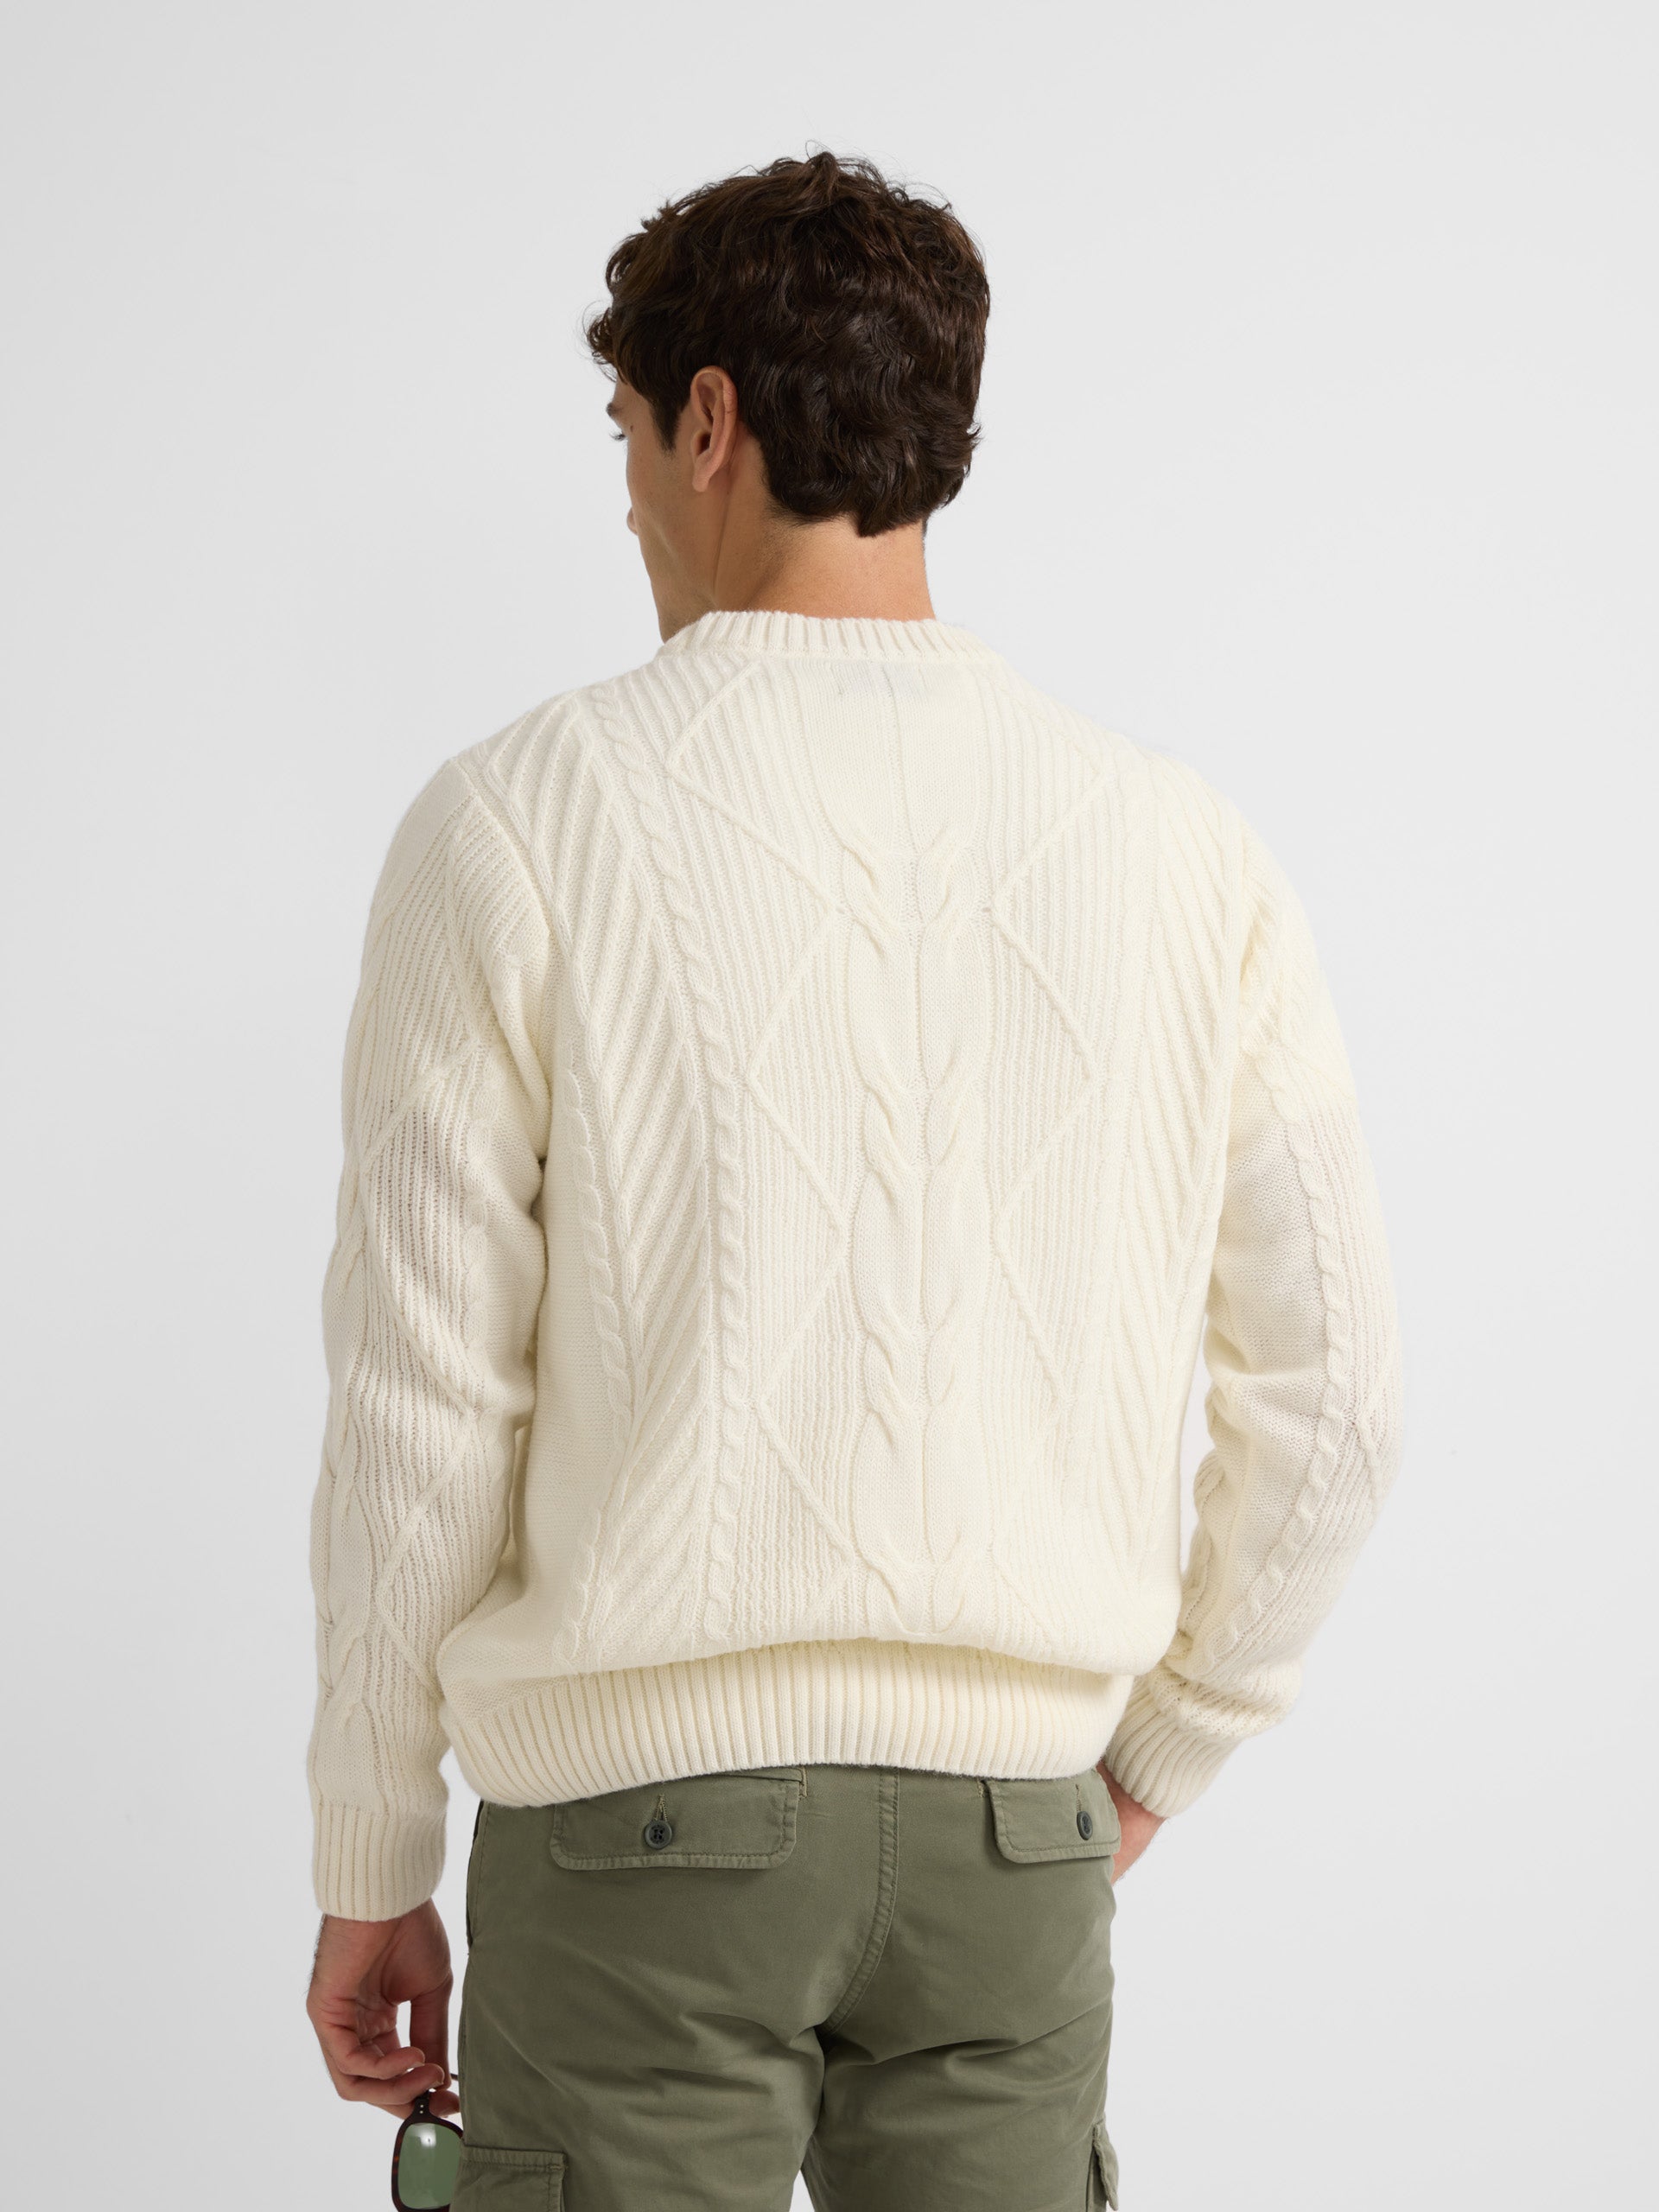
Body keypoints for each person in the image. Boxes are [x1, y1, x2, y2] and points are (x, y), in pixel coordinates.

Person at [304, 149, 1404, 2211]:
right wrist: (1155, 1754)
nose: (631, 496)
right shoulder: (1186, 851)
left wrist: (372, 1855)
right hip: (1014, 1842)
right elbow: (1340, 1399)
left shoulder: (518, 821)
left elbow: (421, 1405)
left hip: (636, 1852)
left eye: (628, 434)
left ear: (710, 421)